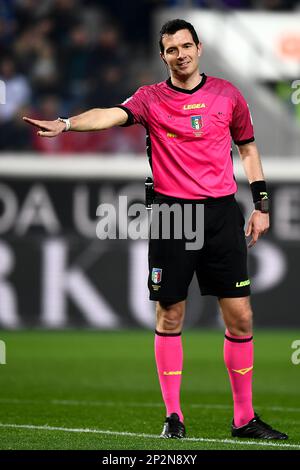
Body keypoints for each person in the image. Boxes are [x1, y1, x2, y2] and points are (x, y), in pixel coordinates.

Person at [23, 18, 288, 441]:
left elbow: (247, 146)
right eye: (171, 49)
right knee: (170, 313)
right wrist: (68, 124)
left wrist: (261, 204)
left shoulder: (229, 95)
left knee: (240, 315)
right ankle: (173, 417)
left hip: (221, 214)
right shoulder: (150, 98)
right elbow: (111, 114)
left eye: (186, 46)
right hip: (172, 215)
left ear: (199, 48)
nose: (180, 54)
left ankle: (244, 419)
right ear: (162, 55)